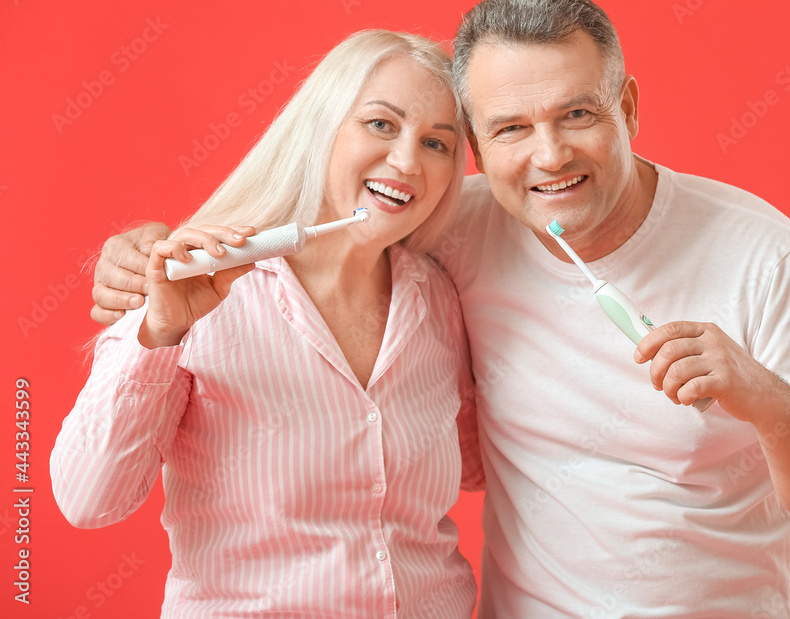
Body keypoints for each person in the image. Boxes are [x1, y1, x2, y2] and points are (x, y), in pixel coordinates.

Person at [88, 0, 790, 618]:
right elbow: (310, 224)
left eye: (578, 114)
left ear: (629, 109)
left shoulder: (762, 253)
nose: (549, 156)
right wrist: (142, 255)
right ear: (478, 147)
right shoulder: (456, 228)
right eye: (509, 129)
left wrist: (757, 393)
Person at [51, 30, 482, 617]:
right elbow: (88, 500)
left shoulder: (437, 298)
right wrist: (156, 337)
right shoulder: (191, 286)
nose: (407, 161)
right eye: (381, 124)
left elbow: (477, 462)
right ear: (321, 125)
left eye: (437, 142)